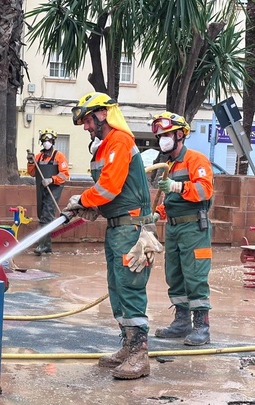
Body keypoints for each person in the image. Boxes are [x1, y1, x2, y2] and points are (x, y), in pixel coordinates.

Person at [64, 92, 159, 380]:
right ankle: (128, 347)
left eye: (87, 120)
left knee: (129, 287)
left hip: (131, 229)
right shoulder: (104, 148)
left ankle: (139, 354)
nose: (85, 127)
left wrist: (84, 199)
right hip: (118, 227)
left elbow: (109, 188)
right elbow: (109, 195)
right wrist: (93, 208)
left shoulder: (119, 141)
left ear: (102, 114)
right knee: (117, 288)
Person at [151, 111, 214, 347]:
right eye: (160, 135)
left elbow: (204, 191)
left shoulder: (196, 160)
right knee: (174, 276)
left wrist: (177, 185)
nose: (162, 139)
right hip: (175, 228)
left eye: (167, 134)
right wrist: (158, 213)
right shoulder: (169, 164)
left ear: (180, 135)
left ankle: (202, 327)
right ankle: (181, 322)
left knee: (195, 276)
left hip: (194, 228)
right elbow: (171, 201)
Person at [26, 128, 70, 255]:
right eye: (44, 140)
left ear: (53, 141)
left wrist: (52, 179)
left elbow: (64, 175)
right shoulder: (38, 157)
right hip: (41, 189)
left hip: (54, 189)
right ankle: (47, 246)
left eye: (49, 140)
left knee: (46, 216)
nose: (46, 142)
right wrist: (30, 162)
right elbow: (33, 173)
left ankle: (41, 245)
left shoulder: (59, 156)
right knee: (42, 215)